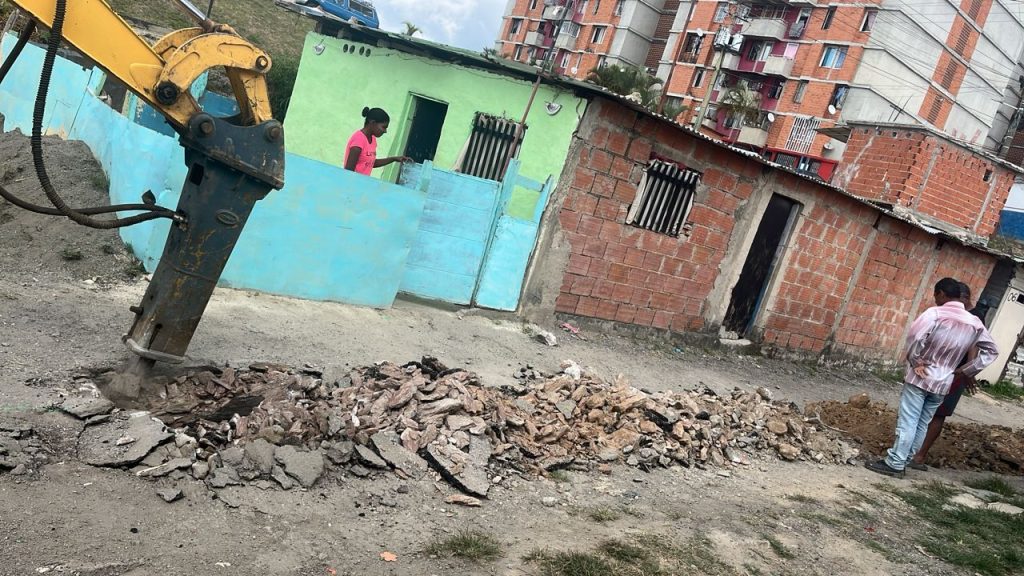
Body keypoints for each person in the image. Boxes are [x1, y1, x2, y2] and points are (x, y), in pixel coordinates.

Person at [865, 277, 998, 478]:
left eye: (936, 295)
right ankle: (905, 460)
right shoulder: (974, 322)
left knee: (909, 420)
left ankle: (894, 463)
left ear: (942, 294)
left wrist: (915, 360)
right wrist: (967, 369)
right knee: (922, 422)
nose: (935, 299)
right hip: (945, 380)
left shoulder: (935, 314)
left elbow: (915, 338)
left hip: (922, 376)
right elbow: (992, 351)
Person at [907, 282, 987, 471]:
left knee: (935, 414)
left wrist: (968, 371)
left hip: (953, 373)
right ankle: (911, 453)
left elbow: (974, 346)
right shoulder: (961, 315)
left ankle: (917, 456)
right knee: (927, 413)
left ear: (964, 298)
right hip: (944, 371)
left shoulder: (973, 317)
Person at [343, 107, 410, 176]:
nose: (385, 131)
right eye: (384, 127)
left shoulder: (373, 139)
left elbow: (370, 163)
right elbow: (348, 172)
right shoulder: (358, 140)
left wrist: (394, 159)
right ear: (373, 123)